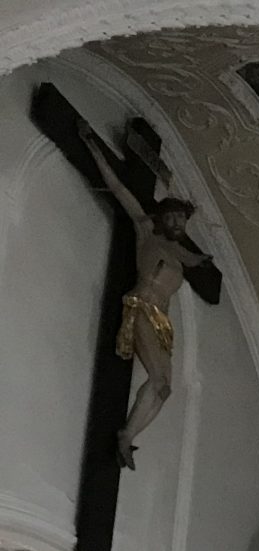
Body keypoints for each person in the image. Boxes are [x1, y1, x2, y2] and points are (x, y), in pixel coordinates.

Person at [80, 131, 210, 467]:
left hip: (162, 321)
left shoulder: (182, 254)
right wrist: (93, 148)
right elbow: (121, 190)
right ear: (160, 218)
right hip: (142, 305)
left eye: (181, 218)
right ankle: (124, 436)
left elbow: (199, 261)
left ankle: (129, 436)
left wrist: (202, 259)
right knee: (156, 378)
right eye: (172, 217)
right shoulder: (145, 231)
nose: (177, 222)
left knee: (164, 388)